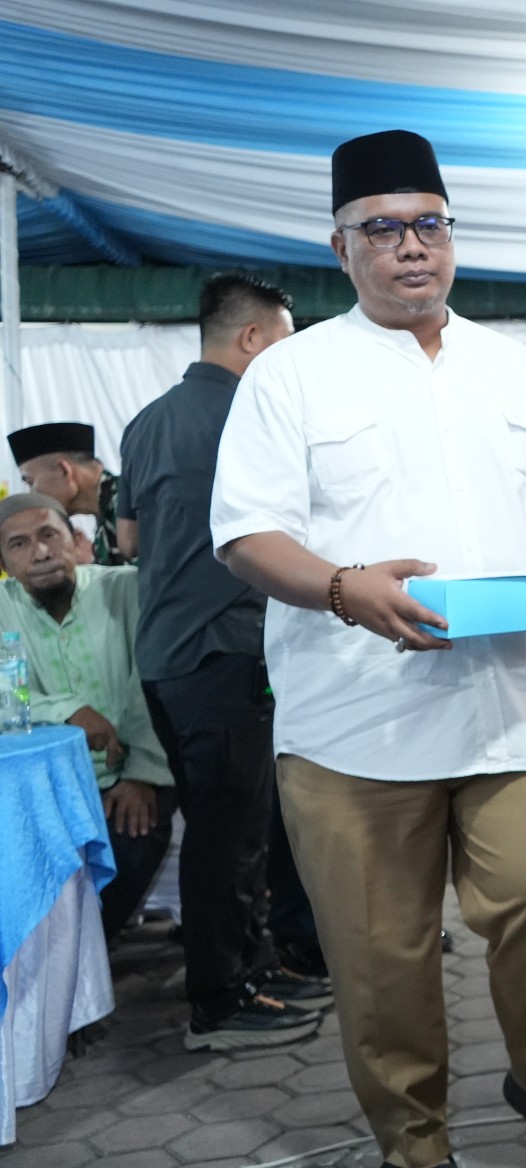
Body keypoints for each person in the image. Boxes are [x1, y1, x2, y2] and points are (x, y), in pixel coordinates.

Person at [210, 129, 526, 1168]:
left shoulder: (517, 371)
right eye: (382, 230)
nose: (410, 248)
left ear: (452, 236)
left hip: (510, 702)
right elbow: (244, 535)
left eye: (428, 225)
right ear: (341, 247)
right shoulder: (290, 376)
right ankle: (416, 1141)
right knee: (383, 958)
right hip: (355, 719)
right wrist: (347, 589)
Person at [117, 272, 337, 1048]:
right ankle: (220, 998)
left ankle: (253, 964)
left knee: (232, 826)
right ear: (251, 339)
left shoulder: (146, 423)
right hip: (221, 649)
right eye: (284, 342)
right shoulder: (250, 415)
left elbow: (130, 543)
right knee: (228, 833)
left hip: (168, 655)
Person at [0, 493, 181, 942]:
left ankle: (78, 982)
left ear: (76, 539)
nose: (40, 553)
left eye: (48, 535)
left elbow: (154, 684)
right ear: (3, 559)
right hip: (41, 792)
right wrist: (68, 711)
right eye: (19, 544)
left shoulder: (127, 588)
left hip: (130, 775)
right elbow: (6, 701)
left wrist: (140, 776)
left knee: (129, 851)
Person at [7, 422, 128, 564]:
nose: (32, 495)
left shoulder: (130, 501)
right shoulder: (107, 517)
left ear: (64, 471)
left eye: (30, 482)